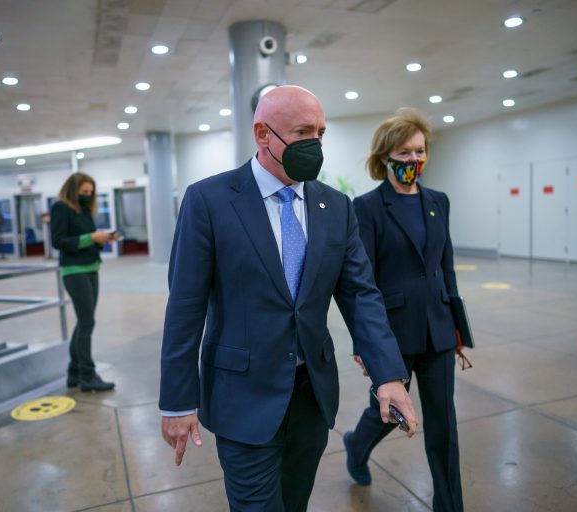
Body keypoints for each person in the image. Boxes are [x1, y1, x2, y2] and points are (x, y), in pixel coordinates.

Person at [159, 85, 418, 512]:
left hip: (311, 397)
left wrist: (387, 373)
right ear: (263, 135)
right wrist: (177, 399)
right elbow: (185, 307)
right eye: (302, 132)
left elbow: (360, 295)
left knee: (294, 503)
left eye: (320, 132)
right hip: (242, 396)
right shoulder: (209, 201)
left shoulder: (335, 207)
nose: (315, 144)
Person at [342, 109, 464, 511]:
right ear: (385, 157)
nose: (414, 160)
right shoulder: (368, 208)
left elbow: (445, 268)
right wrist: (366, 343)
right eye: (405, 152)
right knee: (389, 414)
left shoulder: (439, 202)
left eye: (420, 151)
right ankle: (356, 444)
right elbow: (364, 283)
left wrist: (458, 330)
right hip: (393, 333)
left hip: (439, 330)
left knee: (444, 426)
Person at [51, 172, 118, 392]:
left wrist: (103, 239)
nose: (88, 196)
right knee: (87, 323)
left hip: (91, 268)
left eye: (90, 193)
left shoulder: (86, 210)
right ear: (74, 190)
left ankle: (74, 374)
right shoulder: (61, 208)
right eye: (84, 192)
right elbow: (58, 241)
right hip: (74, 271)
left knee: (83, 323)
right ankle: (88, 376)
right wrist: (91, 238)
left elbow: (89, 237)